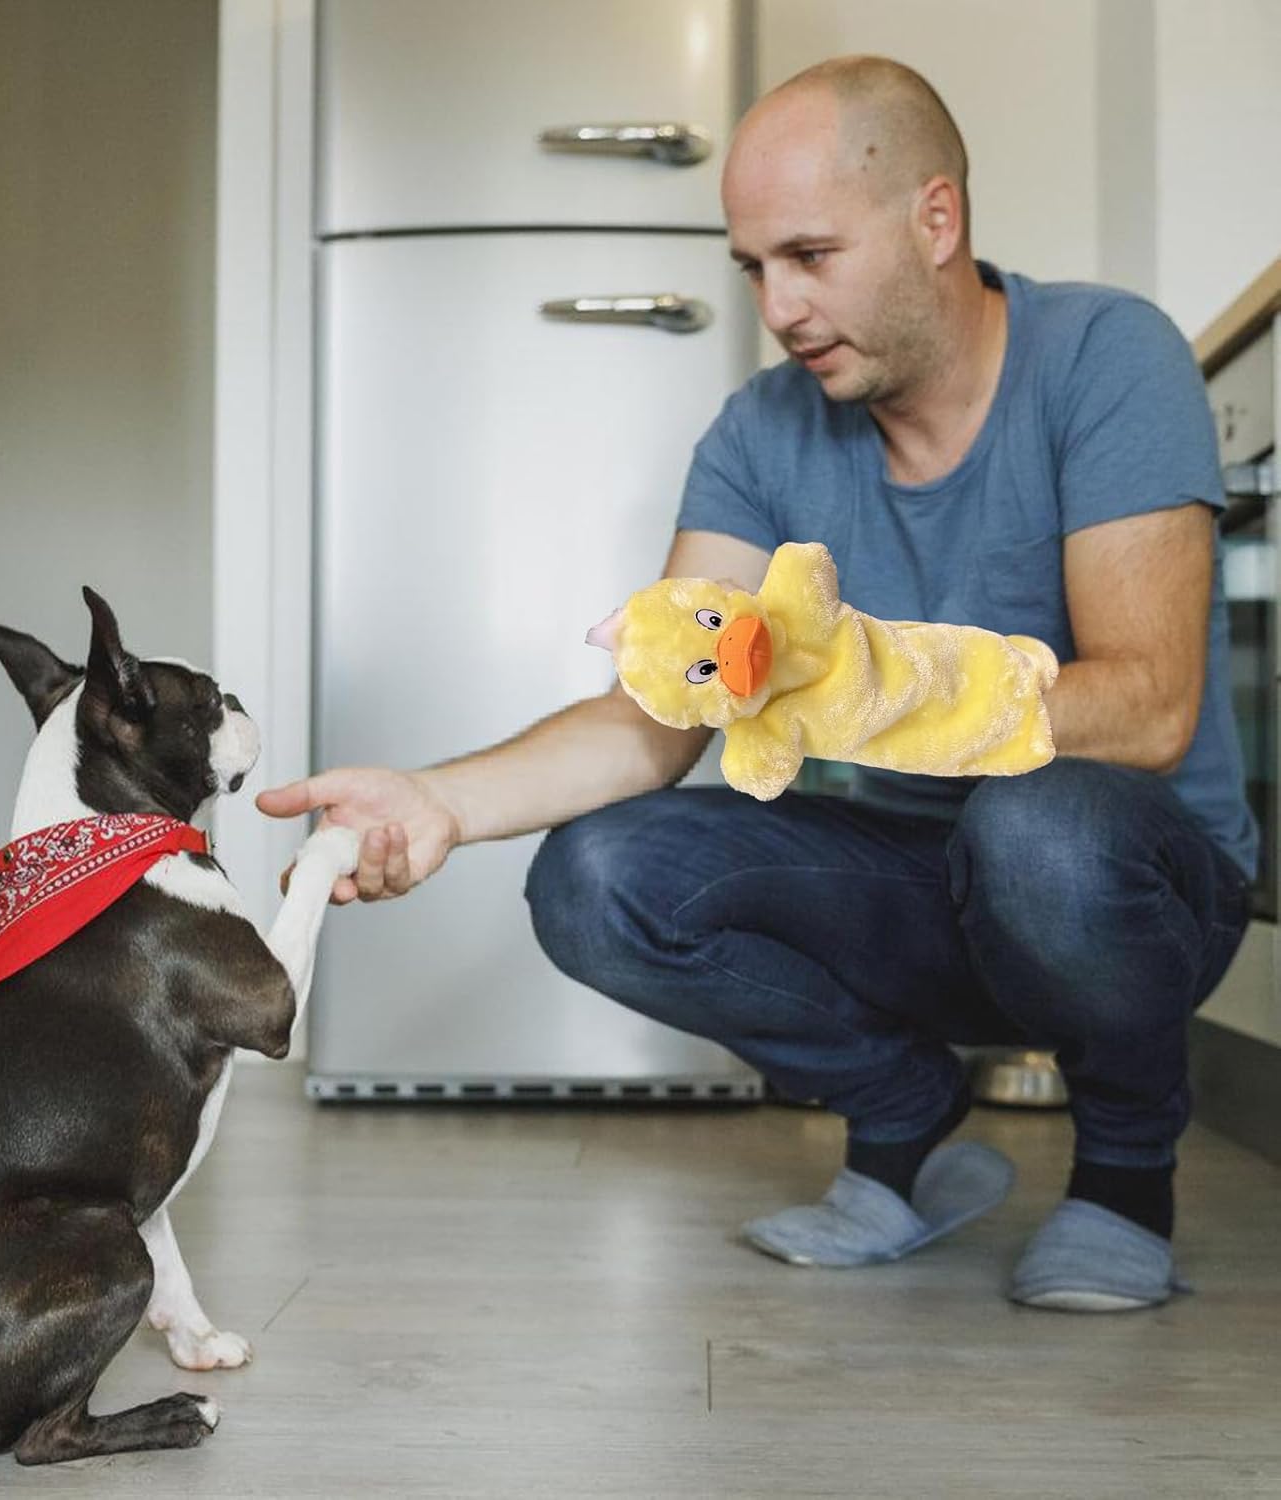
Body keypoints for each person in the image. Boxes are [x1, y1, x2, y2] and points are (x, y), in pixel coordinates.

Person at [257, 56, 1255, 1311]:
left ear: (935, 219)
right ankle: (906, 1114)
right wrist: (439, 800)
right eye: (754, 268)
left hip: (1125, 884)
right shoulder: (761, 431)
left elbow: (1150, 709)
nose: (780, 307)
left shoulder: (1108, 357)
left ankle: (1124, 1171)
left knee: (1033, 826)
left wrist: (876, 690)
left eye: (811, 256)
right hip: (913, 882)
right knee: (596, 876)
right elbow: (658, 714)